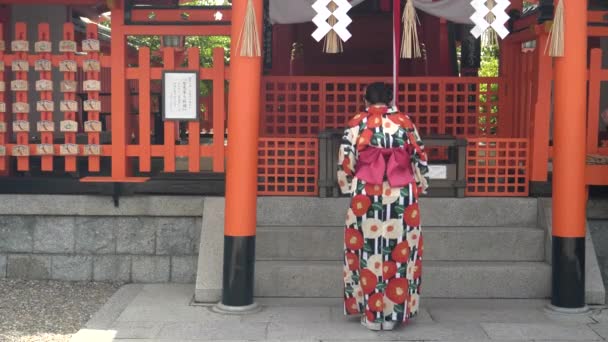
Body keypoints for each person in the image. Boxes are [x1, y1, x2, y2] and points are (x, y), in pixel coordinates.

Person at [337, 82, 429, 331]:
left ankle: (371, 312)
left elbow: (346, 161)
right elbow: (420, 158)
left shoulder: (357, 122)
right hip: (401, 194)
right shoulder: (405, 122)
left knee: (367, 249)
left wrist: (348, 185)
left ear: (365, 99)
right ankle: (394, 313)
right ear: (390, 100)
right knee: (399, 249)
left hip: (366, 192)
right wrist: (419, 185)